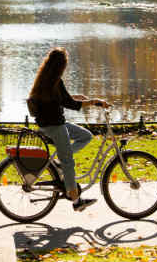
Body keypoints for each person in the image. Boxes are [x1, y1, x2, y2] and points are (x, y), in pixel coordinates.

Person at [26, 47, 110, 212]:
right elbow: (70, 104)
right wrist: (94, 101)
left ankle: (59, 163)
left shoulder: (46, 79)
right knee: (68, 163)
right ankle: (76, 200)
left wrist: (78, 97)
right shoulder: (55, 81)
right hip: (55, 127)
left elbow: (63, 99)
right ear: (60, 65)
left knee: (85, 136)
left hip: (51, 124)